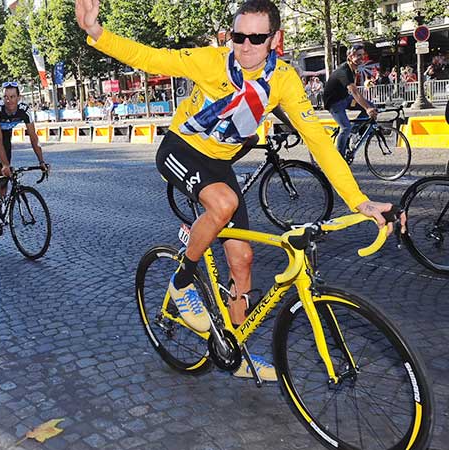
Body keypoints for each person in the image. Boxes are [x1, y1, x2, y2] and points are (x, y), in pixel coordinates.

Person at [76, 0, 400, 381]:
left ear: (275, 39)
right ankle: (182, 284)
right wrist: (98, 33)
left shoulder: (283, 80)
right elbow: (151, 58)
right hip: (180, 149)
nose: (245, 46)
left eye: (256, 38)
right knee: (225, 202)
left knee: (242, 262)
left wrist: (358, 201)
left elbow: (319, 141)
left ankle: (235, 350)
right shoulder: (211, 61)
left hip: (219, 163)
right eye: (238, 36)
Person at [0, 82, 48, 229]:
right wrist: (3, 164)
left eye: (12, 97)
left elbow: (33, 137)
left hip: (5, 136)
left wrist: (41, 161)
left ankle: (2, 205)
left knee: (6, 175)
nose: (9, 100)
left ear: (19, 97)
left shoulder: (25, 110)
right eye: (6, 97)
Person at [323, 44, 378, 157]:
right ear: (350, 56)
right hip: (334, 103)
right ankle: (339, 160)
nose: (362, 58)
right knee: (345, 127)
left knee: (372, 105)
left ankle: (354, 131)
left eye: (363, 55)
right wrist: (367, 108)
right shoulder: (344, 71)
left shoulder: (353, 70)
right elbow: (354, 92)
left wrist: (369, 106)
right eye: (358, 55)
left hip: (345, 99)